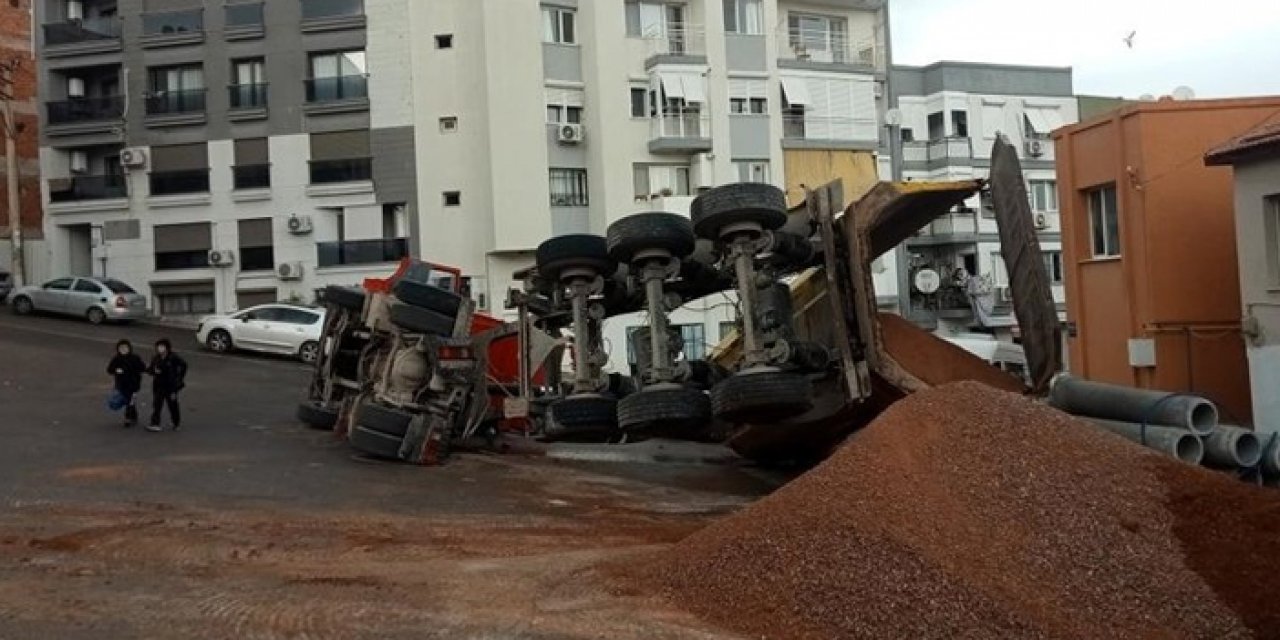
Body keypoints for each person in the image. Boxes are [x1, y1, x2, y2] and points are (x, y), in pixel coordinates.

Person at [146, 338, 188, 432]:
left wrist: (179, 377)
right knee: (157, 404)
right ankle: (155, 423)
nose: (160, 349)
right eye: (159, 347)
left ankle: (176, 422)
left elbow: (184, 365)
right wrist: (153, 371)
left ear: (167, 348)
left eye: (162, 347)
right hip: (159, 385)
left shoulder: (173, 357)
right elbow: (150, 369)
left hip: (171, 386)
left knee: (172, 405)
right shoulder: (155, 358)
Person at [106, 339, 146, 427]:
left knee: (130, 401)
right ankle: (133, 415)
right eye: (121, 348)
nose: (123, 350)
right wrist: (116, 370)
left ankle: (128, 418)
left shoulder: (135, 358)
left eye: (125, 348)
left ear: (129, 348)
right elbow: (109, 370)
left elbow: (142, 368)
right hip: (121, 384)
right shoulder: (116, 359)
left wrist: (135, 370)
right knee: (126, 401)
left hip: (133, 384)